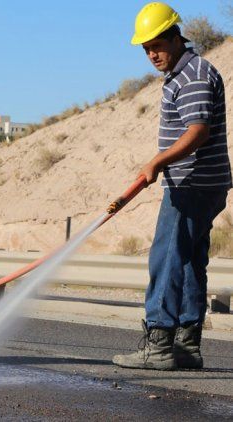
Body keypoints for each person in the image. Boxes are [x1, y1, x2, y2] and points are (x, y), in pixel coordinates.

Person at [113, 2, 231, 370]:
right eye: (145, 48)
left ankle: (159, 343)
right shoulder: (186, 73)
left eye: (157, 45)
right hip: (203, 184)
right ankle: (187, 344)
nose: (151, 54)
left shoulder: (193, 75)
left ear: (176, 37)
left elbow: (197, 132)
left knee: (165, 257)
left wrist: (157, 162)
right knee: (190, 261)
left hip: (192, 184)